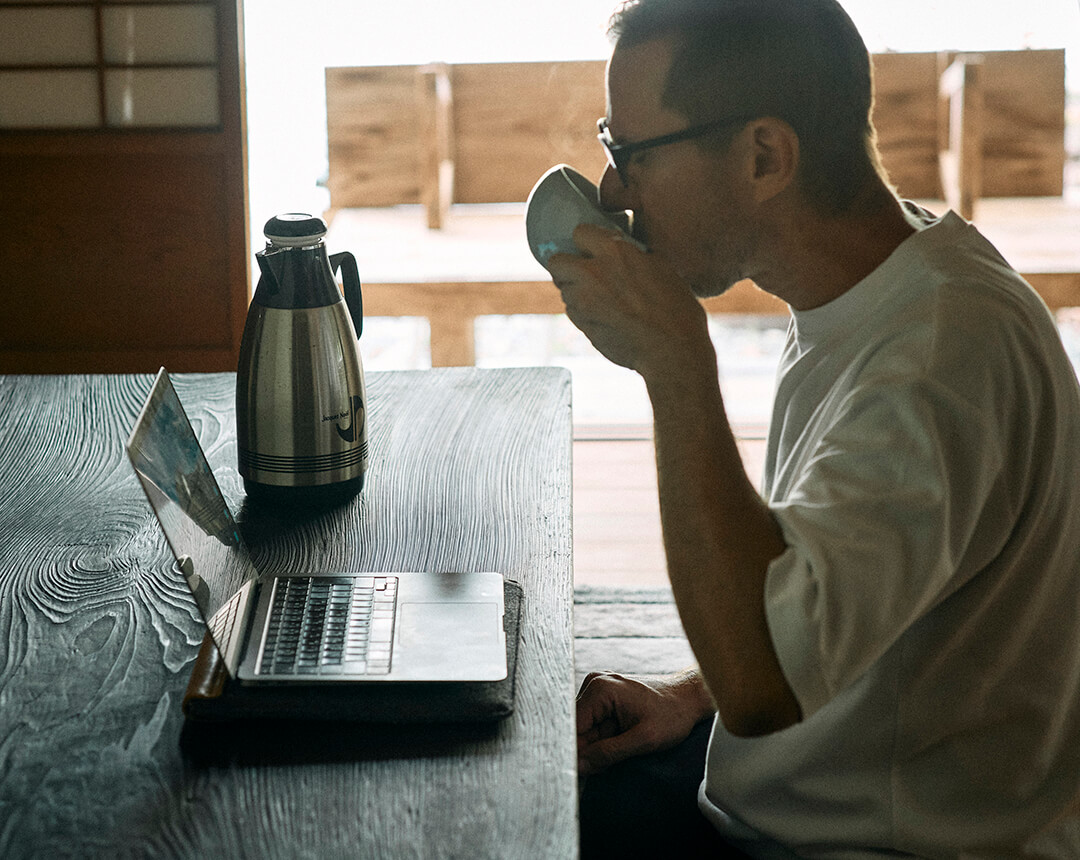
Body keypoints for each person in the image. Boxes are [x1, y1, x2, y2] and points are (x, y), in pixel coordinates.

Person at [547, 0, 1080, 856]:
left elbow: (765, 686)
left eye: (631, 154)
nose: (614, 190)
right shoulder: (887, 281)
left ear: (764, 155)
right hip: (796, 785)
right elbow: (842, 598)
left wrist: (676, 366)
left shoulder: (940, 361)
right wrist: (691, 696)